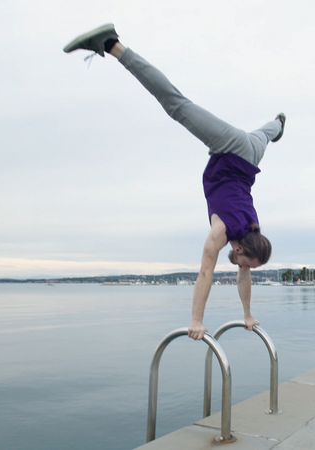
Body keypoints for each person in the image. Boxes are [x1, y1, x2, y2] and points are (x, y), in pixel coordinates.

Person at [63, 24, 286, 340]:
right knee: (176, 104)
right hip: (232, 149)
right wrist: (196, 320)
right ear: (240, 249)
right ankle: (112, 44)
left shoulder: (252, 230)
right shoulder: (220, 232)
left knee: (266, 132)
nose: (241, 266)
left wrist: (248, 314)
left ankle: (278, 123)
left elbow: (244, 276)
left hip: (252, 157)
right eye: (244, 261)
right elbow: (205, 273)